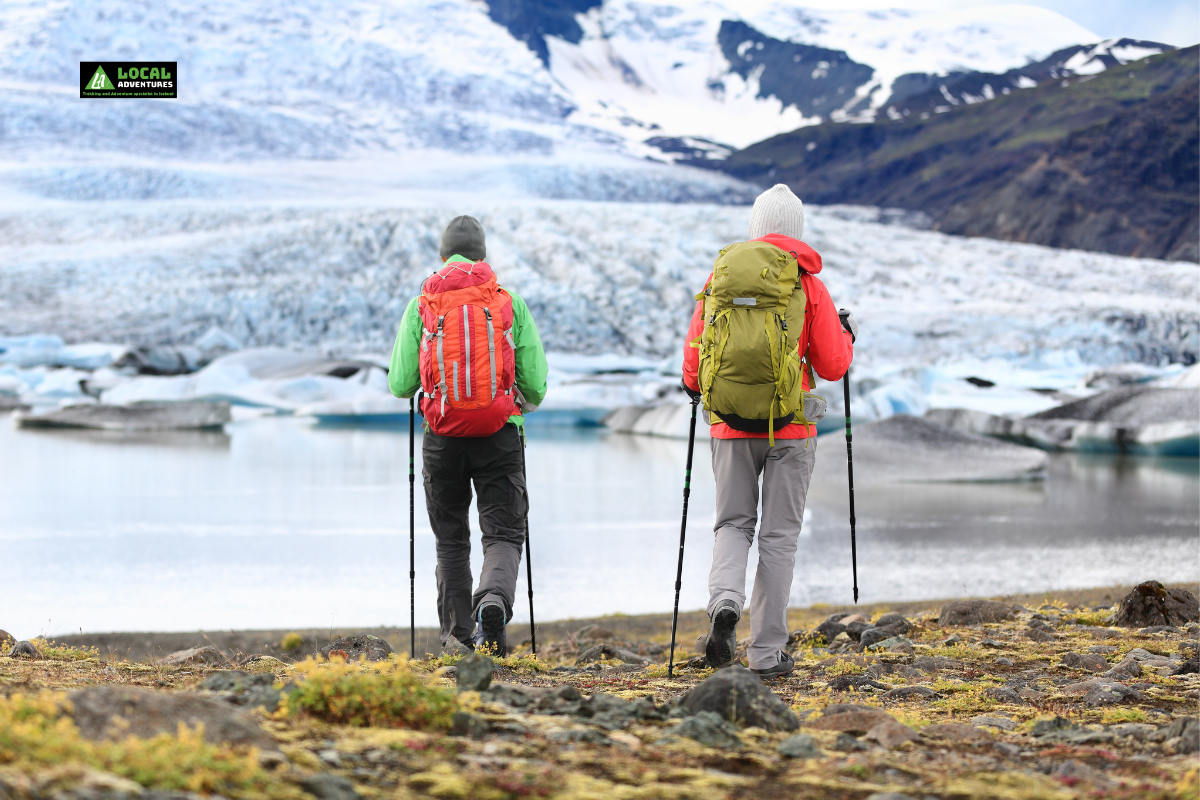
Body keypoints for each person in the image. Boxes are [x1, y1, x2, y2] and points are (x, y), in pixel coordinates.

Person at [682, 184, 857, 678]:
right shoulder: (807, 285)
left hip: (730, 428)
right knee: (779, 537)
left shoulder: (720, 278)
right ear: (796, 231)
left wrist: (701, 389)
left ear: (756, 227)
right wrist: (846, 334)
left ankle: (724, 603)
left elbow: (694, 365)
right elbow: (832, 363)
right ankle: (766, 652)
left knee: (733, 525)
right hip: (792, 428)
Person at [389, 215, 548, 657]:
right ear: (483, 256)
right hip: (500, 435)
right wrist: (518, 404)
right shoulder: (507, 302)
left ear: (443, 256)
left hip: (442, 438)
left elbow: (401, 383)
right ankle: (493, 601)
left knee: (451, 540)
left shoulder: (423, 303)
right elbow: (535, 382)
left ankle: (458, 641)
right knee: (503, 533)